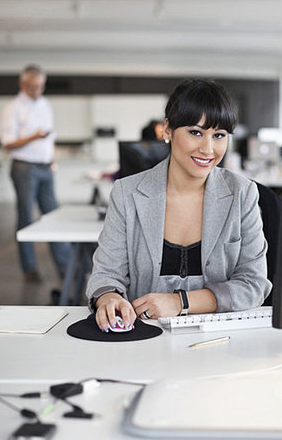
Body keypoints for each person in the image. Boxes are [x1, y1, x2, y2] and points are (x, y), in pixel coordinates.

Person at [86, 79, 271, 331]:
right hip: (145, 338)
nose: (208, 148)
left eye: (219, 135)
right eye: (195, 132)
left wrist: (181, 302)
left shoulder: (243, 193)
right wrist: (109, 297)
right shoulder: (127, 193)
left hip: (221, 341)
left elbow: (254, 284)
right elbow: (106, 274)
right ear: (167, 130)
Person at [0, 64, 70, 283]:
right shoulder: (13, 107)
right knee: (26, 218)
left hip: (44, 167)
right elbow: (8, 144)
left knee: (53, 217)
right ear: (22, 84)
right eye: (32, 87)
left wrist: (51, 158)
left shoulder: (45, 104)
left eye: (40, 87)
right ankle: (29, 268)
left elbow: (48, 137)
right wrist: (34, 137)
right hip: (24, 167)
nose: (36, 91)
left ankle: (64, 267)